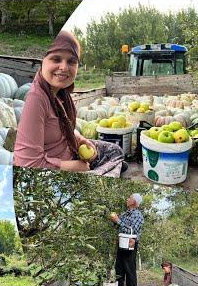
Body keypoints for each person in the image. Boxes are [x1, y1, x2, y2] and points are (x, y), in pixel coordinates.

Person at [14, 31, 125, 177]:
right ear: (42, 61)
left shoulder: (60, 92)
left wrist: (79, 139)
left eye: (71, 61)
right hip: (50, 171)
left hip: (69, 152)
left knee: (115, 150)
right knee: (110, 172)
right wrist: (73, 167)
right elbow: (26, 163)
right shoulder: (36, 99)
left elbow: (63, 127)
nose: (64, 67)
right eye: (56, 59)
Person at [109, 193, 144, 286]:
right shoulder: (125, 214)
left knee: (129, 268)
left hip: (130, 243)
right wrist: (115, 220)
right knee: (119, 267)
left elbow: (132, 231)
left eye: (130, 198)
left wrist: (118, 221)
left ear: (134, 202)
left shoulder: (138, 215)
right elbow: (119, 226)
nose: (127, 199)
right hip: (121, 243)